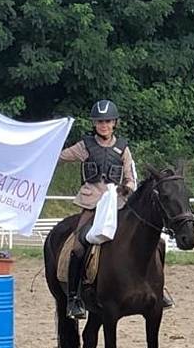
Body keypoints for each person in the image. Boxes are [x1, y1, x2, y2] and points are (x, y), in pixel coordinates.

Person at [58, 100, 137, 320]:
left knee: (147, 241)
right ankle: (74, 298)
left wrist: (126, 188)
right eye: (100, 122)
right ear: (95, 124)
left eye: (108, 121)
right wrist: (50, 143)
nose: (104, 125)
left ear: (114, 123)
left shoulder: (123, 147)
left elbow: (131, 178)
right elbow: (60, 156)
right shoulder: (85, 146)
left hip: (116, 206)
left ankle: (156, 288)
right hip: (92, 205)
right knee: (78, 246)